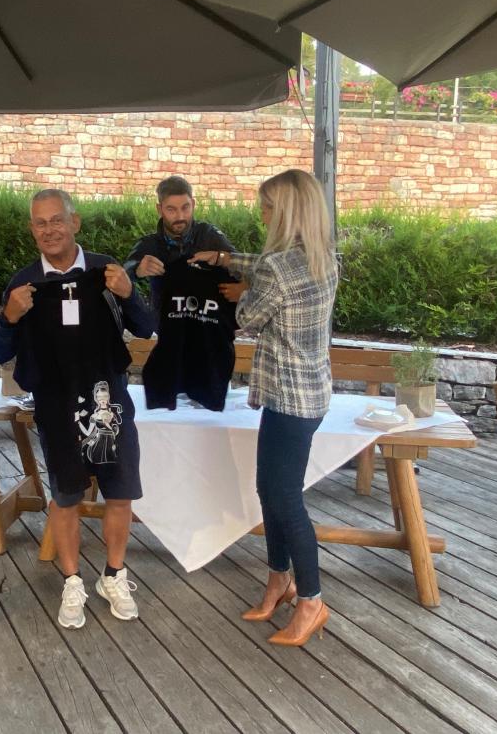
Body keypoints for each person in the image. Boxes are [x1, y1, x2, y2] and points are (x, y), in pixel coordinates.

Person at [0, 189, 155, 629]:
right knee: (65, 496)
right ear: (32, 230)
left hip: (108, 401)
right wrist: (10, 316)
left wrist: (129, 293)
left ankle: (114, 575)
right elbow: (0, 350)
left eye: (57, 220)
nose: (50, 230)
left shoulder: (105, 271)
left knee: (119, 491)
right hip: (56, 406)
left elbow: (146, 327)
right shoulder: (23, 283)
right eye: (40, 223)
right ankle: (72, 580)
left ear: (74, 222)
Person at [191, 169, 338, 647]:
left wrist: (240, 293)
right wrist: (226, 259)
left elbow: (247, 317)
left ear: (288, 212)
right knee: (271, 491)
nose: (262, 213)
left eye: (268, 206)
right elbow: (268, 265)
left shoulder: (278, 270)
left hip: (288, 399)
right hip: (310, 393)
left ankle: (312, 601)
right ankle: (280, 581)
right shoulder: (322, 256)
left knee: (284, 498)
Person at [124, 175, 236, 311]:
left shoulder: (208, 234)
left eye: (185, 208)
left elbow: (240, 264)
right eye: (171, 209)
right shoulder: (150, 243)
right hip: (165, 320)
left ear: (193, 204)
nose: (180, 216)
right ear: (159, 210)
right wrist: (137, 270)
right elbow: (123, 275)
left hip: (208, 318)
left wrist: (222, 259)